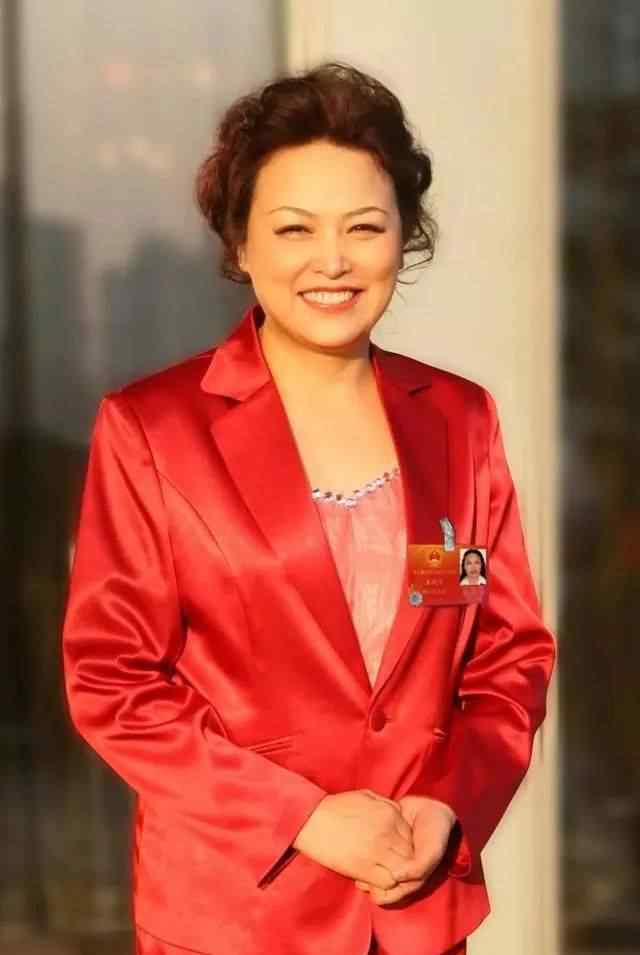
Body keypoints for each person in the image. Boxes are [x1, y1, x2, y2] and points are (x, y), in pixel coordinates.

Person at [61, 61, 556, 955]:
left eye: (364, 226)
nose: (332, 260)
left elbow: (505, 654)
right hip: (234, 913)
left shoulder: (460, 420)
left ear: (403, 236)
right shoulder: (154, 429)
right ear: (242, 245)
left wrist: (449, 801)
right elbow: (114, 679)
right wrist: (306, 817)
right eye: (294, 228)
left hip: (414, 903)